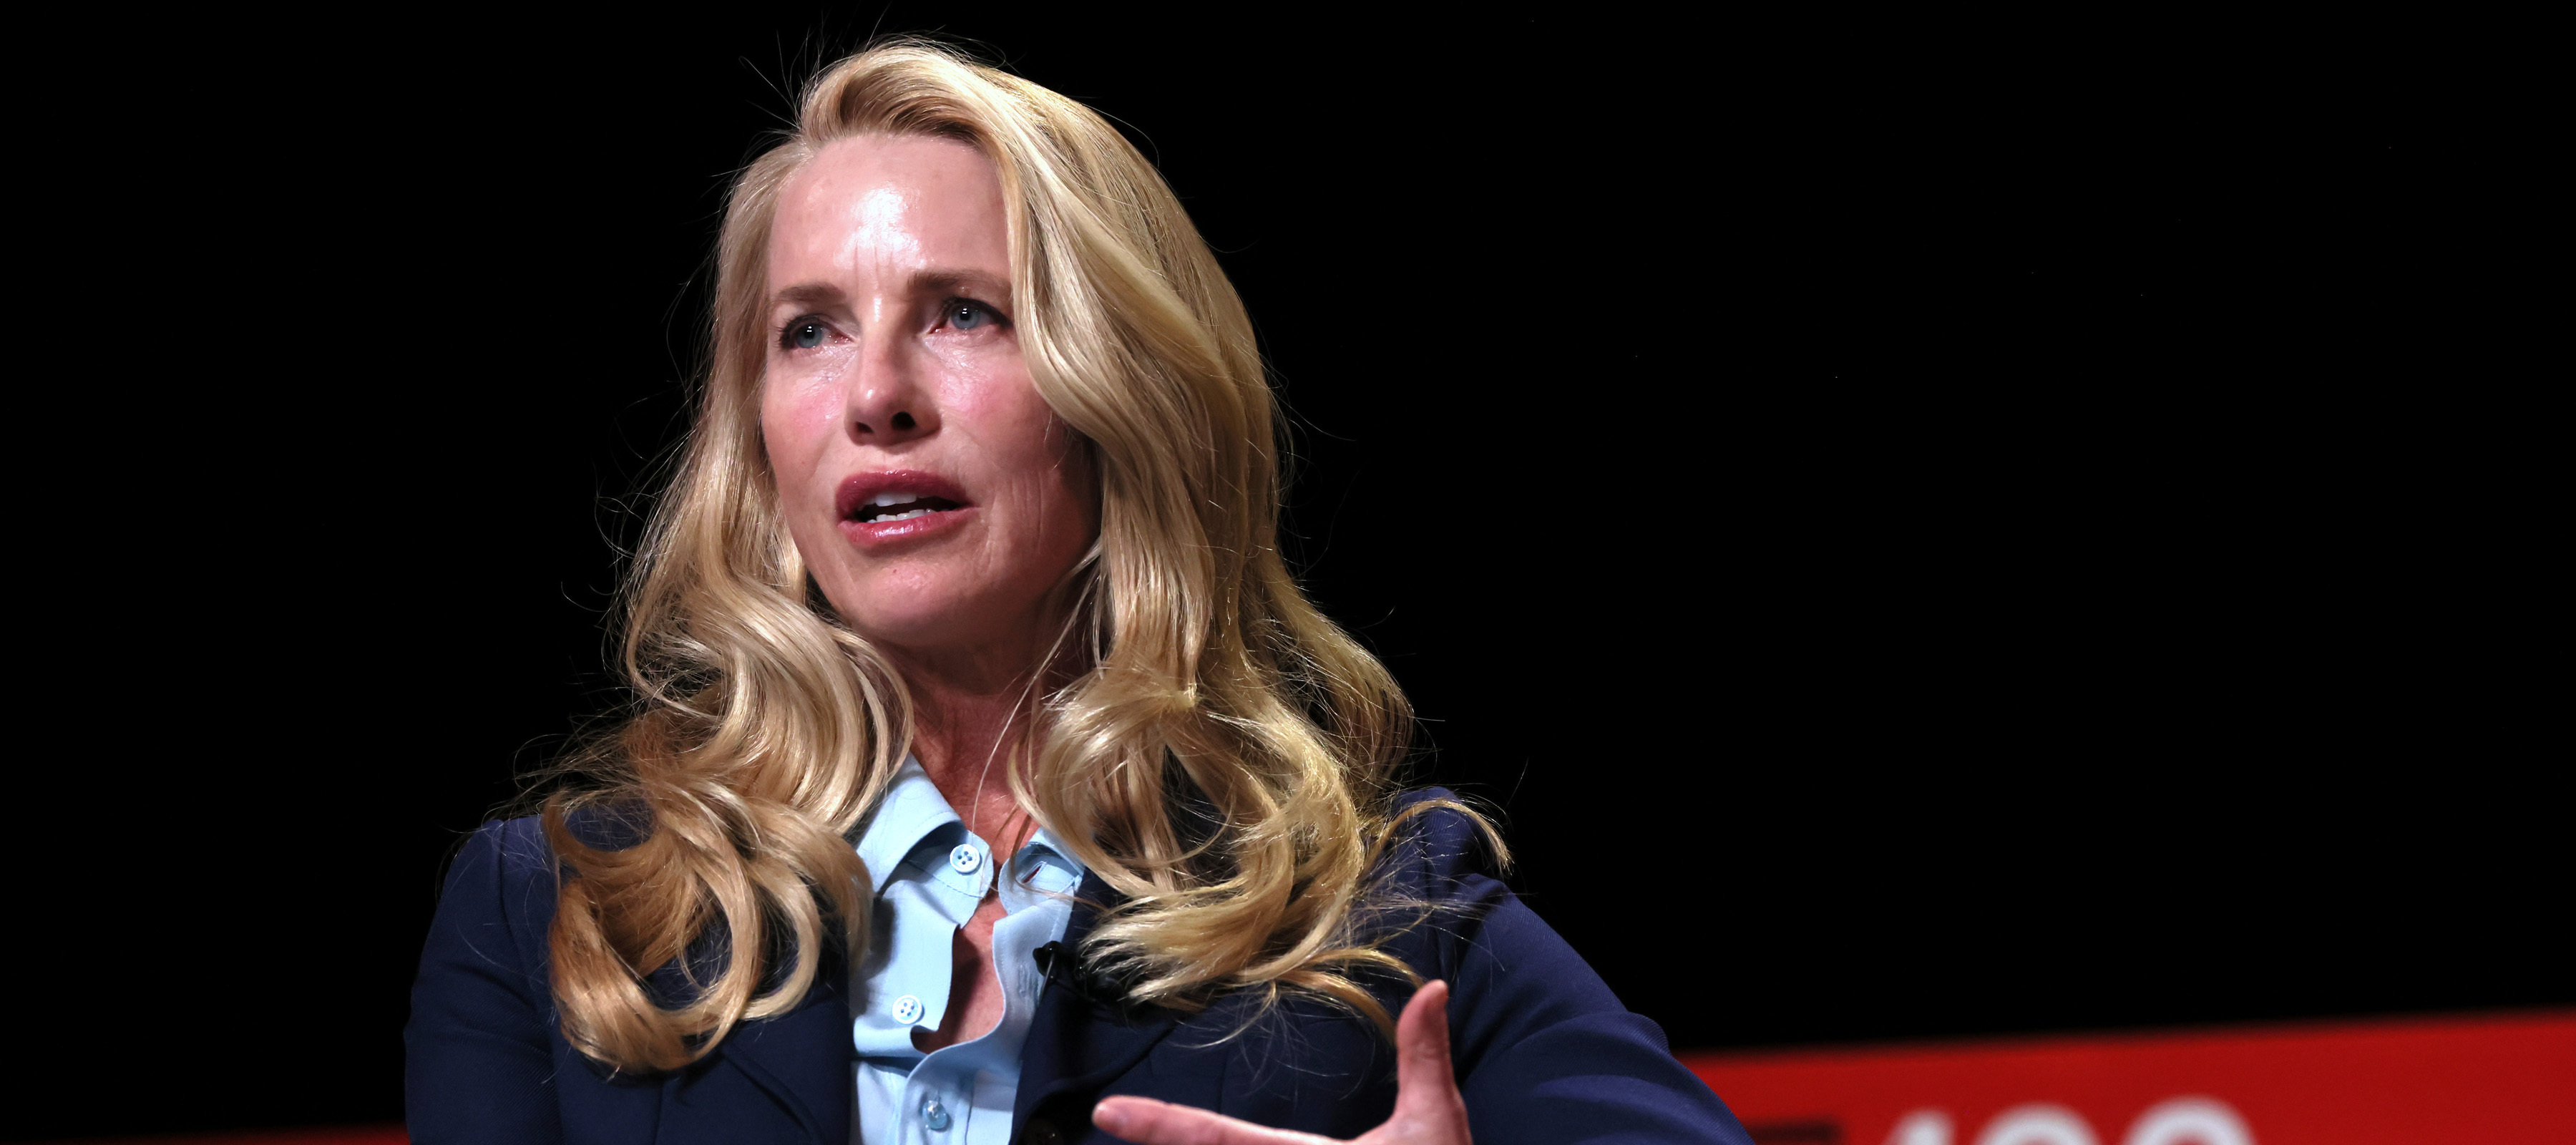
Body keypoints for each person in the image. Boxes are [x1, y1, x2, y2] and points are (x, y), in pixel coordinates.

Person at [404, 40, 1750, 1145]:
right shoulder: (557, 910)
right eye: (808, 331)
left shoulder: (1382, 910)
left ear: (1123, 389)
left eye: (964, 313)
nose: (876, 396)